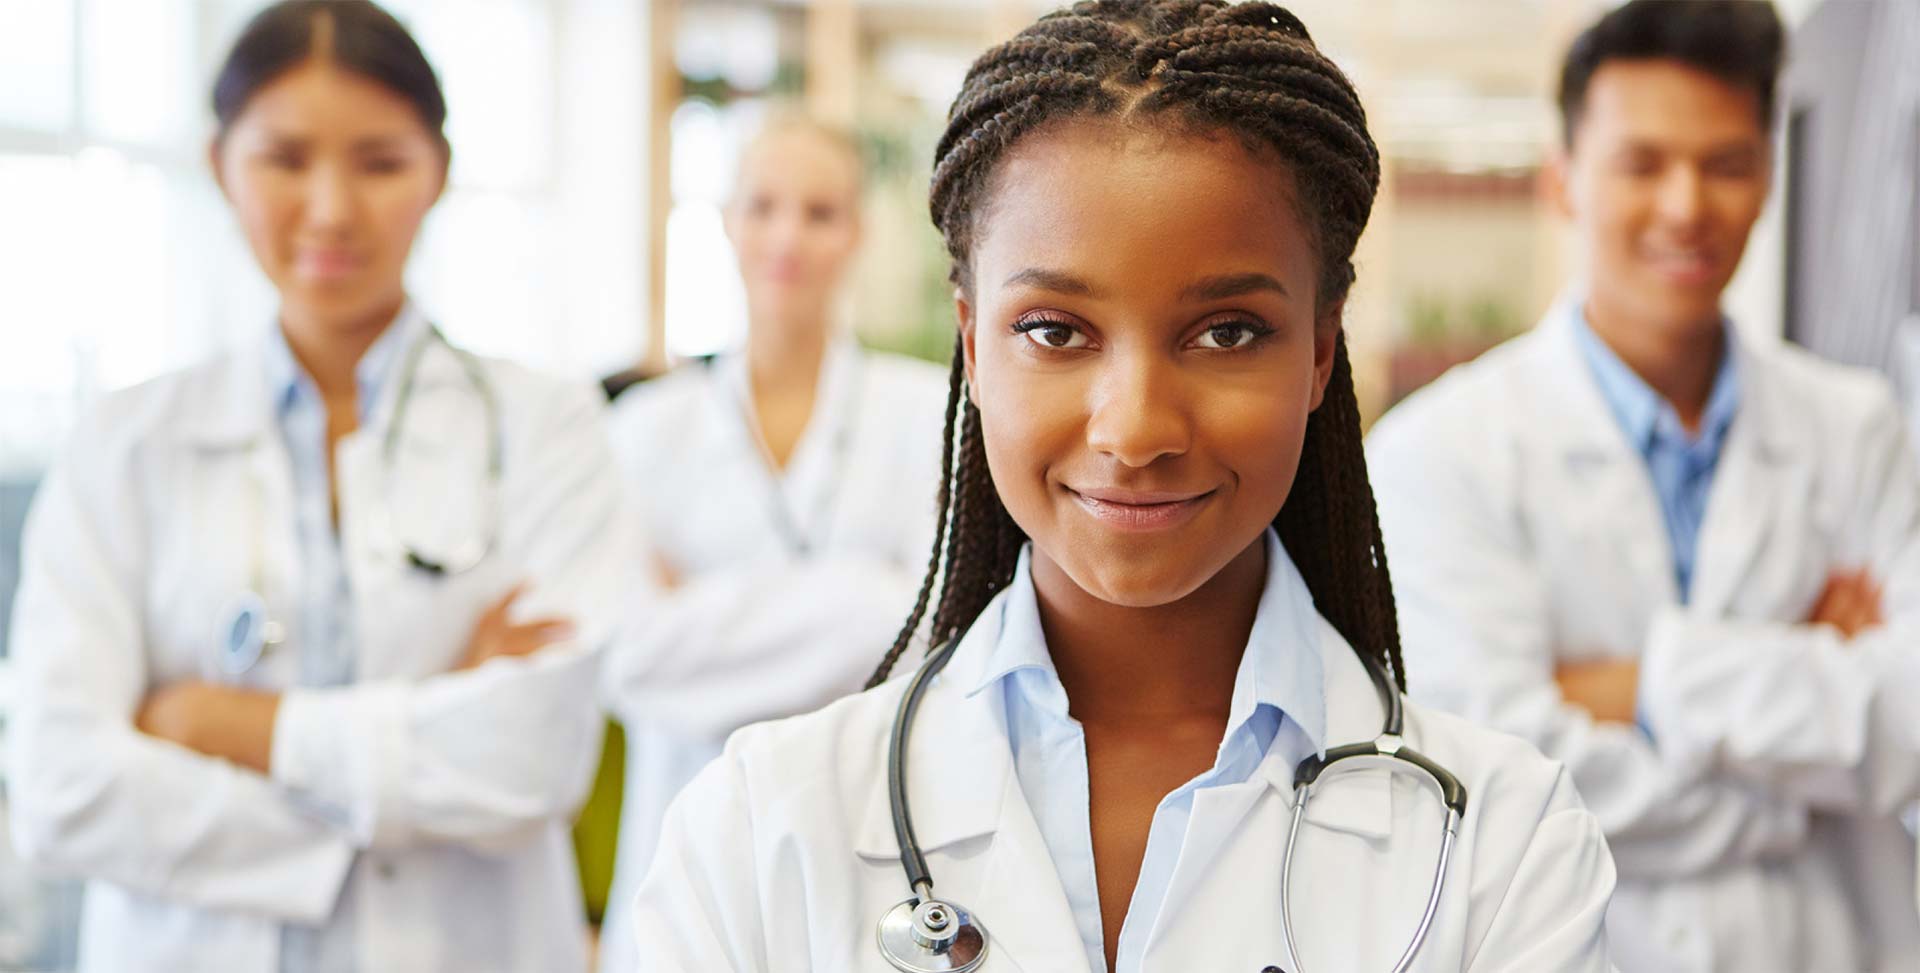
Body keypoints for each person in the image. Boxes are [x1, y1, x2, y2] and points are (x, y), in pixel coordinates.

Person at [628, 3, 1617, 970]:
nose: (1135, 429)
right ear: (973, 345)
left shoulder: (1504, 848)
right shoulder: (756, 829)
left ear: (1321, 349)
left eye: (1227, 331)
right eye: (1056, 330)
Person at [4, 3, 633, 970]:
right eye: (286, 159)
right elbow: (61, 785)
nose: (333, 208)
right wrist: (429, 723)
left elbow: (532, 759)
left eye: (380, 161)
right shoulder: (125, 446)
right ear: (222, 166)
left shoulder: (544, 424)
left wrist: (220, 723)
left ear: (439, 170)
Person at [1367, 2, 1920, 969]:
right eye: (1643, 163)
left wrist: (1646, 680)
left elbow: (1909, 721)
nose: (1685, 205)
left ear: (1768, 179)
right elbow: (1503, 782)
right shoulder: (1437, 455)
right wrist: (1803, 711)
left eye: (1726, 163)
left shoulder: (1861, 429)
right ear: (1564, 181)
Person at [596, 113, 947, 972]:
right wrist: (865, 591)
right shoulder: (645, 428)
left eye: (820, 212)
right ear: (726, 221)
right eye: (763, 206)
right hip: (677, 834)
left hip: (865, 830)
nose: (788, 235)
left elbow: (936, 627)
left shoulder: (926, 411)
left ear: (857, 232)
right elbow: (627, 653)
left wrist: (699, 614)